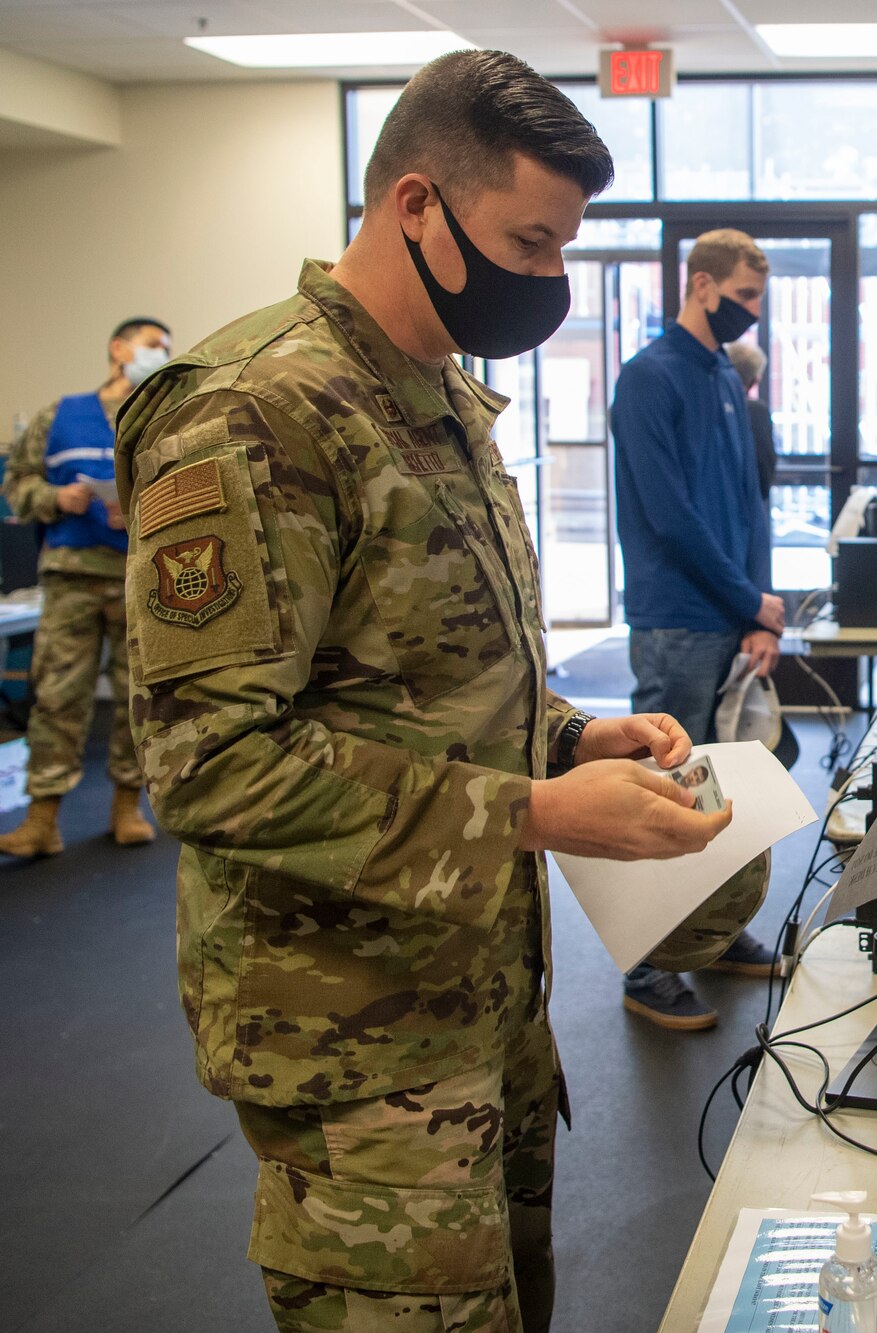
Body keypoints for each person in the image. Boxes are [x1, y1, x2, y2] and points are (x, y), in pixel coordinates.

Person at [114, 51, 753, 1333]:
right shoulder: (256, 414)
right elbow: (210, 759)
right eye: (529, 238)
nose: (550, 280)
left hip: (482, 992)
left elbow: (425, 672)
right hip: (348, 1031)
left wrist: (572, 736)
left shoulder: (441, 395)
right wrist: (532, 812)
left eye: (565, 246)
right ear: (416, 205)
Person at [609, 227, 784, 1028]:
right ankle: (647, 964)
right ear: (702, 285)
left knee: (718, 791)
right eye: (744, 296)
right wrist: (746, 599)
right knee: (666, 794)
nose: (753, 312)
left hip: (730, 616)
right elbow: (670, 514)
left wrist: (761, 608)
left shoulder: (724, 376)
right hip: (677, 620)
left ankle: (708, 932)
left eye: (759, 298)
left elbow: (750, 504)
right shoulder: (648, 379)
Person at [0, 318, 171, 856]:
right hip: (72, 573)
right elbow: (18, 484)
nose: (159, 354)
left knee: (135, 698)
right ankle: (43, 819)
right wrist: (58, 500)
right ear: (117, 349)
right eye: (151, 345)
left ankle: (126, 806)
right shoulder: (59, 416)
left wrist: (143, 513)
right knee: (56, 694)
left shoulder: (159, 417)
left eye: (166, 348)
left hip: (136, 577)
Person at [725, 338, 777, 501]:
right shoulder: (755, 412)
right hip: (743, 509)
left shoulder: (702, 404)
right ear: (756, 380)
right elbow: (764, 473)